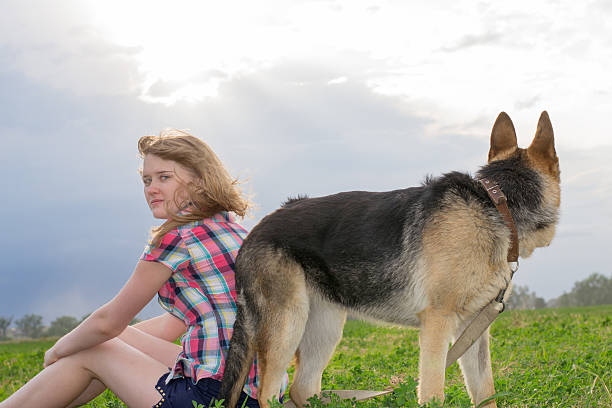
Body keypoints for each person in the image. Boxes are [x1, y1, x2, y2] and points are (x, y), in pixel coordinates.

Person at [0, 129, 287, 408]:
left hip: (211, 397)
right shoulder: (239, 234)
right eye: (147, 180)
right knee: (110, 339)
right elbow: (168, 325)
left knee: (97, 348)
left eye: (164, 177)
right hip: (257, 395)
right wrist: (111, 337)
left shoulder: (178, 237)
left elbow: (107, 322)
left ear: (200, 181)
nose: (152, 188)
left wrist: (57, 349)